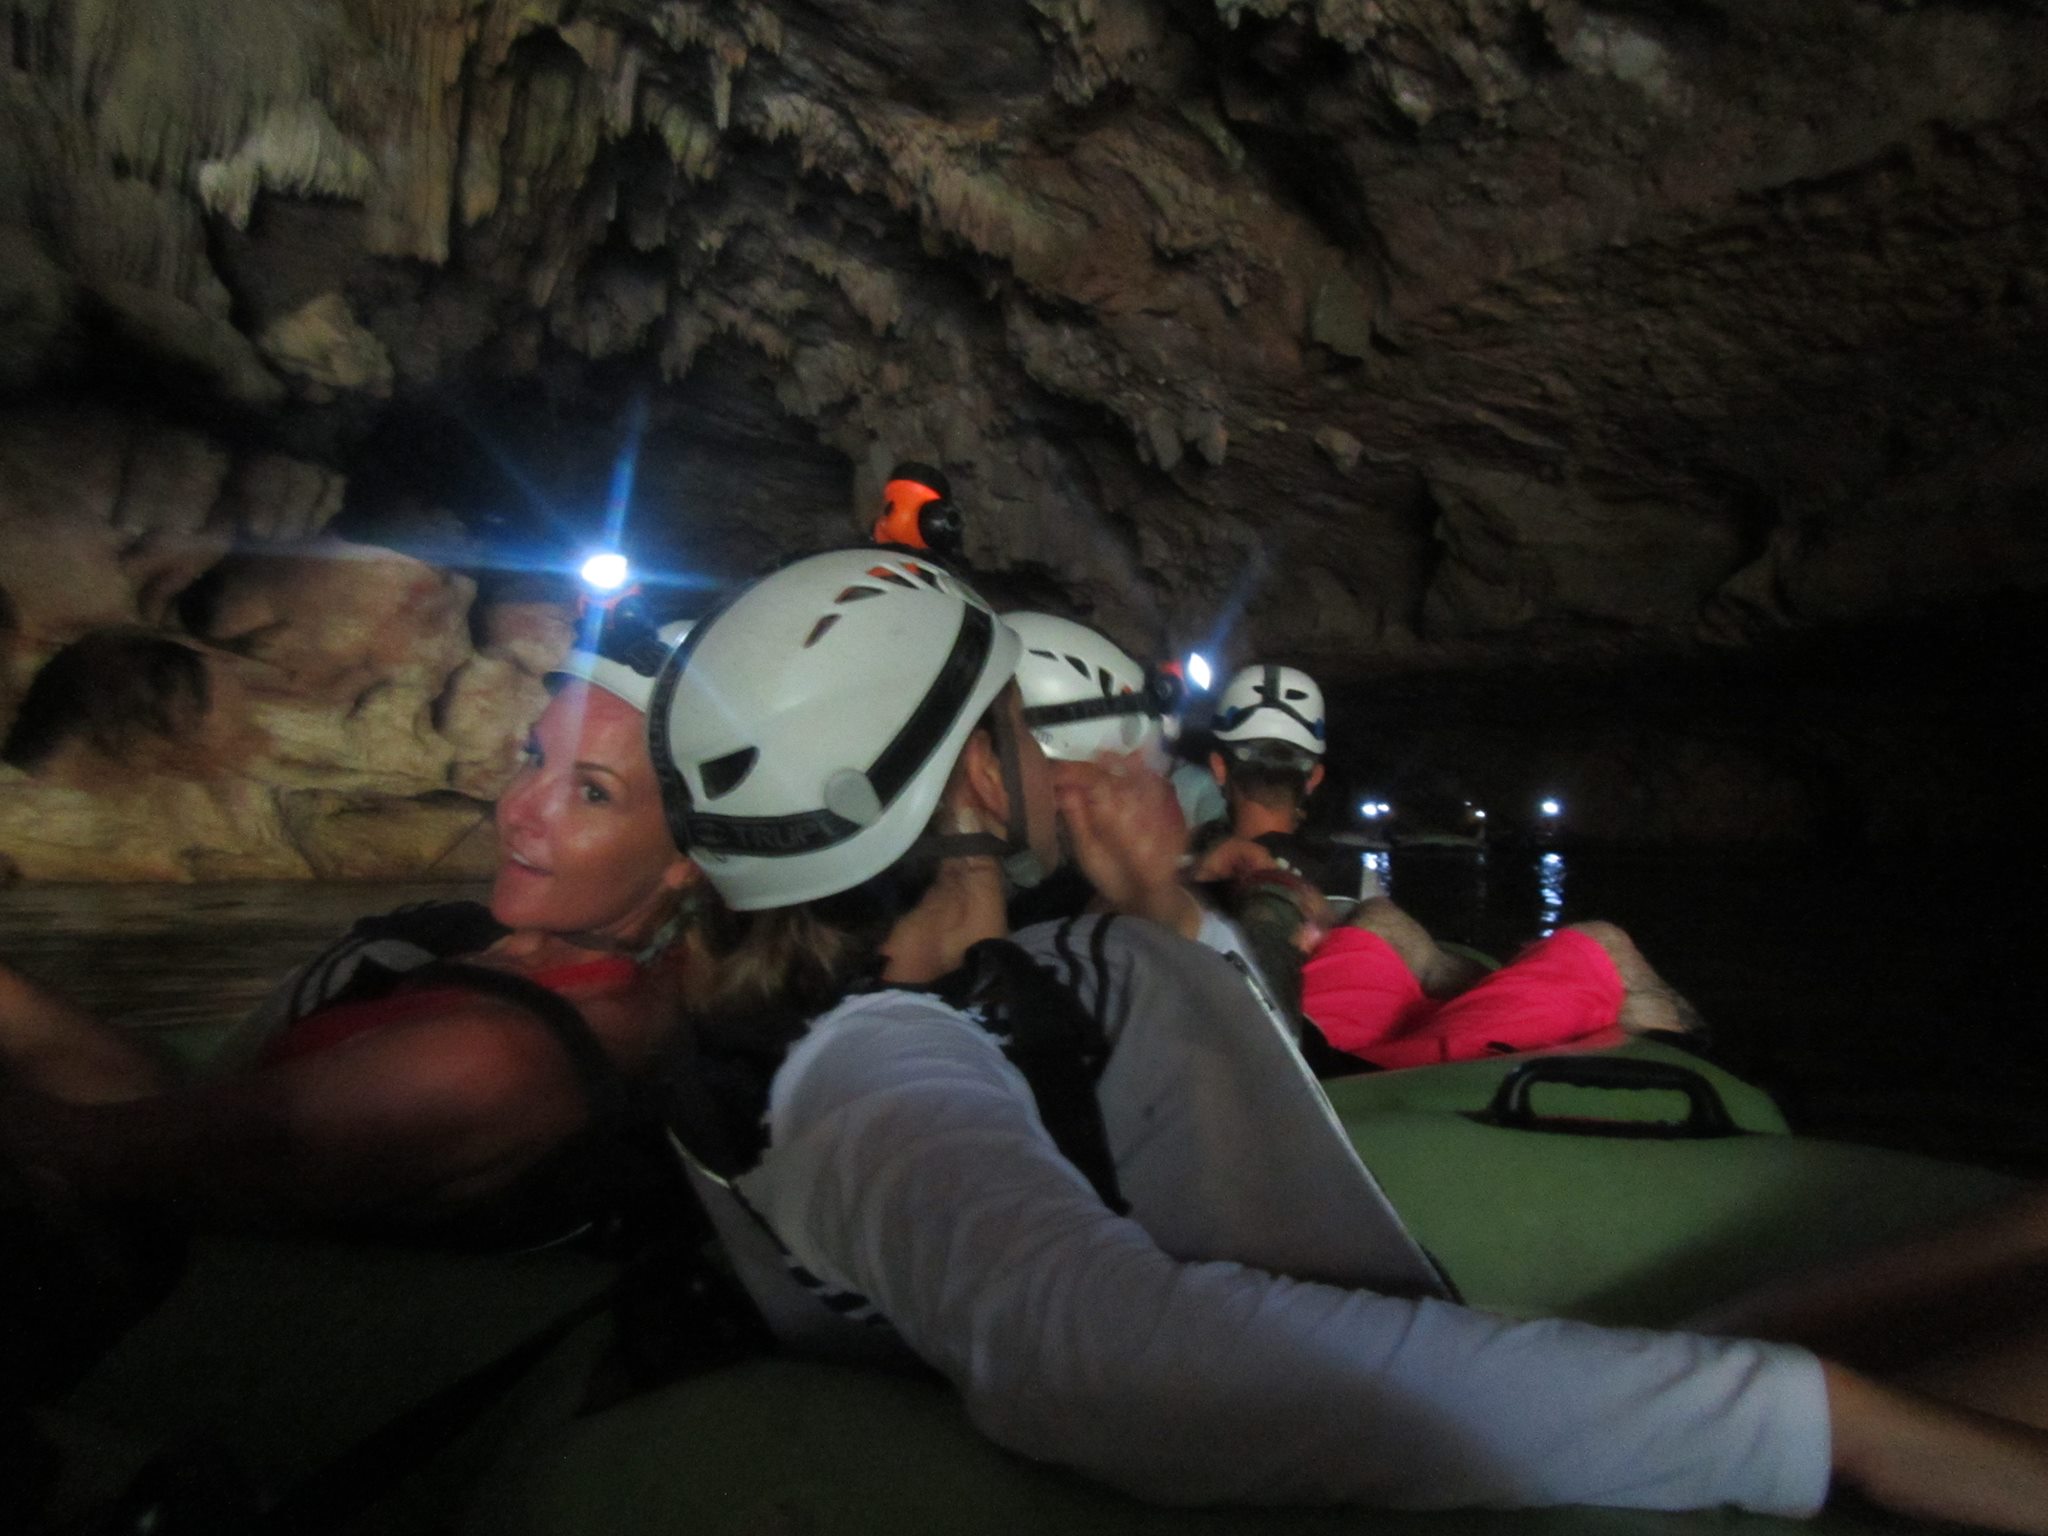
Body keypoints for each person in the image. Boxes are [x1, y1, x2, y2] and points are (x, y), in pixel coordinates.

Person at [646, 547, 2048, 1531]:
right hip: (1258, 1448)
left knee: (1933, 1288)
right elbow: (1101, 1357)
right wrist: (1830, 1424)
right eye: (1015, 719)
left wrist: (1166, 926)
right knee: (1857, 1397)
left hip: (1310, 1355)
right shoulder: (878, 1078)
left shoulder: (916, 1008)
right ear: (968, 772)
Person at [0, 610, 707, 1241]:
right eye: (533, 758)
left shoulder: (491, 1062)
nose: (519, 809)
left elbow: (88, 1155)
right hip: (188, 1124)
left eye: (592, 792)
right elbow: (184, 1099)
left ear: (690, 860)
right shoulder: (505, 947)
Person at [1197, 660, 1697, 1068]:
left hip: (1323, 1033)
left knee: (1388, 928)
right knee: (1604, 947)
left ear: (1220, 767)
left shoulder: (1170, 871)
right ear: (1314, 777)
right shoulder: (1349, 874)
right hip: (1326, 1054)